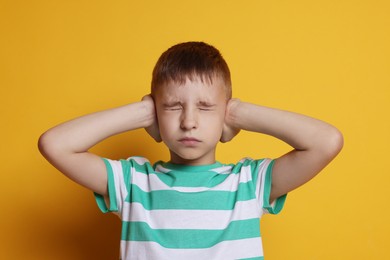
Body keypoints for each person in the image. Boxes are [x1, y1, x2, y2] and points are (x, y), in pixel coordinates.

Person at [38, 41, 343, 259]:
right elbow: (55, 144)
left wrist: (237, 113)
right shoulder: (132, 183)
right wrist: (143, 113)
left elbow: (326, 141)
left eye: (206, 107)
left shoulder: (249, 184)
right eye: (172, 107)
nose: (188, 122)